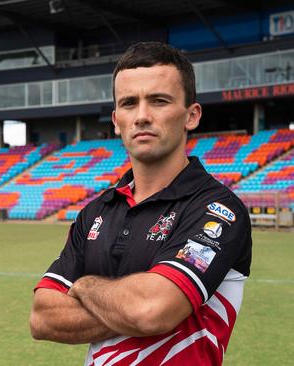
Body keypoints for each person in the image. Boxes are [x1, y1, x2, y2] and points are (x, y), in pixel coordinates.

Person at [30, 42, 251, 365]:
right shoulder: (96, 212)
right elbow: (42, 318)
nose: (142, 116)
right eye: (129, 103)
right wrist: (131, 303)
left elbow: (152, 311)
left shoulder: (217, 209)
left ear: (192, 115)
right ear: (117, 120)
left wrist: (85, 285)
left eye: (159, 101)